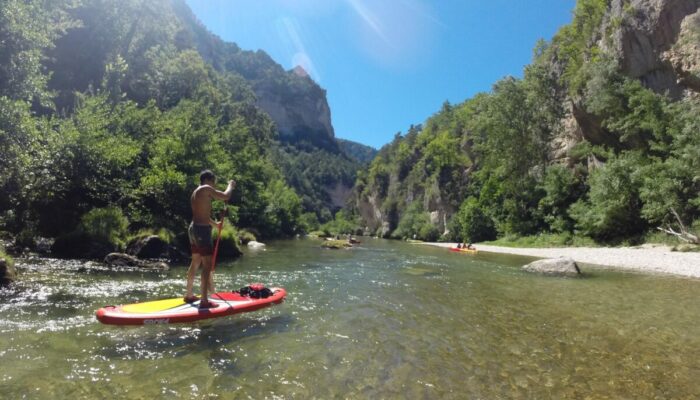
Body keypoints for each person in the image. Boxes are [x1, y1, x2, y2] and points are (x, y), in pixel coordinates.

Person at [184, 170, 235, 308]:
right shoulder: (205, 189)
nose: (214, 185)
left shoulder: (196, 192)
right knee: (207, 265)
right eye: (213, 182)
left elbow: (203, 215)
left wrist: (215, 224)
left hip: (193, 228)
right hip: (201, 231)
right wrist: (230, 185)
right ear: (207, 180)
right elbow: (225, 196)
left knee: (195, 262)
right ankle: (204, 301)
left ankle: (188, 295)